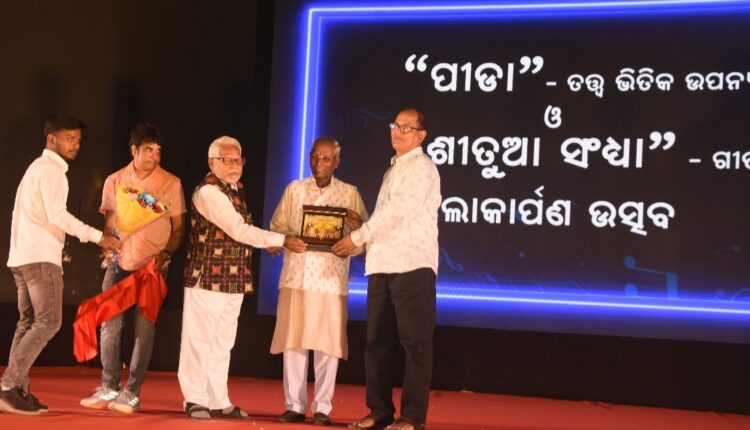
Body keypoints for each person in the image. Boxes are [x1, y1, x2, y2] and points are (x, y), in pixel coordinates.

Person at [178, 136, 307, 420]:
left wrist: (270, 241)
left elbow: (241, 233)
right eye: (227, 160)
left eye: (239, 160)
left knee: (223, 342)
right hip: (207, 277)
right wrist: (281, 240)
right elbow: (238, 229)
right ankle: (195, 398)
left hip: (233, 278)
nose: (235, 166)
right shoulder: (209, 192)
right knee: (199, 340)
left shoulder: (234, 190)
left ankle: (218, 399)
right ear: (212, 162)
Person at [0, 114, 121, 415]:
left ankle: (16, 390)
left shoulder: (35, 168)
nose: (75, 144)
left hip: (23, 256)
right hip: (40, 257)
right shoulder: (52, 171)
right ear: (51, 138)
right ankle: (8, 386)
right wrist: (99, 237)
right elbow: (58, 216)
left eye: (78, 140)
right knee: (48, 322)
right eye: (69, 138)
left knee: (29, 323)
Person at [332, 108, 441, 430]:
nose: (398, 131)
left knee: (415, 344)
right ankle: (380, 411)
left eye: (407, 127)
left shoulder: (422, 168)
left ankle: (412, 416)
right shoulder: (394, 168)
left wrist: (357, 238)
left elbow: (397, 213)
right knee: (377, 343)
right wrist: (362, 236)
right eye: (395, 125)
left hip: (412, 265)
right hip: (381, 265)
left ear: (421, 135)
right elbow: (386, 221)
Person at [79, 122, 185, 413]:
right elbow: (109, 224)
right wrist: (108, 243)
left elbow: (178, 228)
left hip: (153, 265)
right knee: (110, 326)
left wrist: (166, 253)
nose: (154, 156)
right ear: (134, 150)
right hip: (119, 262)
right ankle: (109, 386)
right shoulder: (115, 180)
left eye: (158, 151)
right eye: (148, 150)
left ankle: (133, 392)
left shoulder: (171, 182)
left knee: (144, 327)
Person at [269, 137, 368, 426]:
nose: (319, 163)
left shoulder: (349, 193)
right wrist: (284, 240)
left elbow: (365, 236)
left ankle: (323, 408)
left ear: (337, 161)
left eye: (326, 158)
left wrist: (353, 236)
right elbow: (277, 227)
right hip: (296, 275)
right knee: (293, 342)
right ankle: (295, 405)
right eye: (315, 157)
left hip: (330, 280)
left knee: (327, 346)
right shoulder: (294, 189)